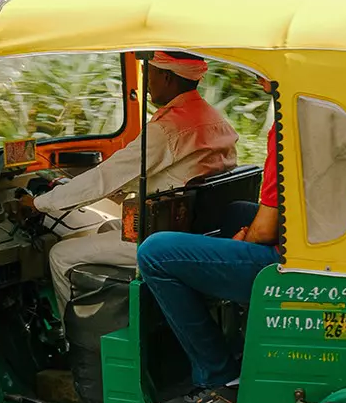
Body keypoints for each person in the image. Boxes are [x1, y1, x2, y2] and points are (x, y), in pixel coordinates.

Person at [29, 51, 238, 305]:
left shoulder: (166, 130)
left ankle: (70, 338)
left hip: (163, 239)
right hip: (198, 231)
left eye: (149, 74)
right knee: (107, 228)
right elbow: (177, 173)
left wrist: (38, 204)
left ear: (166, 77)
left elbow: (104, 178)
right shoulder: (215, 120)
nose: (146, 82)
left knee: (60, 254)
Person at [137, 119, 283, 403]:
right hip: (312, 240)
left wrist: (246, 237)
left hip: (287, 260)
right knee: (234, 213)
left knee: (154, 253)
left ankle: (219, 380)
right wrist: (245, 230)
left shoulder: (287, 126)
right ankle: (241, 348)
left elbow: (267, 228)